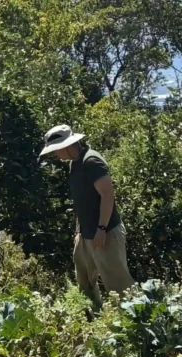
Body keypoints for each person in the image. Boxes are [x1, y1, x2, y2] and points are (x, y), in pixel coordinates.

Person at [39, 125, 135, 313]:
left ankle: (137, 323)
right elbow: (82, 201)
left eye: (56, 150)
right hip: (85, 234)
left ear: (68, 145)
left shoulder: (92, 162)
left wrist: (101, 229)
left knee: (119, 284)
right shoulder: (74, 163)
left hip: (105, 233)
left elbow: (108, 196)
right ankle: (93, 318)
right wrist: (79, 231)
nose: (55, 155)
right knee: (84, 281)